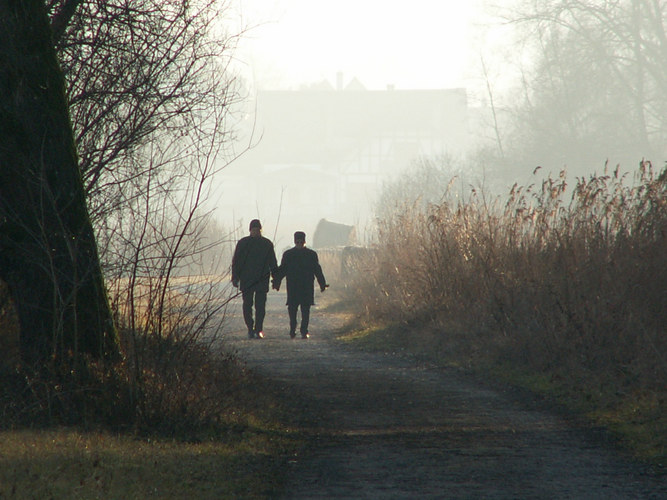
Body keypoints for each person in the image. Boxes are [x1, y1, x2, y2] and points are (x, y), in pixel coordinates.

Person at [272, 231, 328, 339]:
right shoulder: (288, 255)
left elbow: (317, 270)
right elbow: (282, 270)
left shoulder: (311, 255)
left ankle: (304, 330)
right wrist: (276, 282)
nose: (299, 243)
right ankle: (292, 329)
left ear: (304, 241)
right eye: (297, 241)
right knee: (292, 309)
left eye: (301, 241)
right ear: (294, 241)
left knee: (305, 309)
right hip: (293, 286)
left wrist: (322, 284)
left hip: (306, 286)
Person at [231, 219, 277, 339]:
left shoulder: (267, 244)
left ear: (261, 230)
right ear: (250, 230)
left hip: (262, 279)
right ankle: (250, 328)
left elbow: (273, 263)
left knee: (260, 306)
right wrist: (235, 277)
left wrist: (276, 278)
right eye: (254, 230)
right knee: (247, 305)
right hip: (246, 279)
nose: (256, 232)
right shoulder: (243, 243)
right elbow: (236, 261)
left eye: (258, 230)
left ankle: (258, 329)